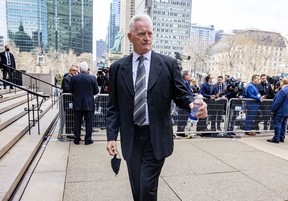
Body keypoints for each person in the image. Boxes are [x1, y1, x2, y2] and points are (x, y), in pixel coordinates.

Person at [106, 13, 207, 201]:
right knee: (137, 186)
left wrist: (193, 104)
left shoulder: (168, 64)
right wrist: (111, 136)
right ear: (130, 37)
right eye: (141, 33)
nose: (147, 38)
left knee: (148, 187)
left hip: (157, 136)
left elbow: (181, 94)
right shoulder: (118, 68)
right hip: (131, 137)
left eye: (150, 34)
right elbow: (113, 106)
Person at [70, 61, 99, 145]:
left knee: (77, 122)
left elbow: (71, 90)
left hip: (78, 103)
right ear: (87, 70)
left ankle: (76, 139)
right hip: (89, 103)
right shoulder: (92, 78)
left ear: (79, 69)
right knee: (89, 123)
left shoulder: (74, 78)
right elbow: (96, 91)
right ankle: (88, 139)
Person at [267, 77, 288, 143]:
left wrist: (273, 110)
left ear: (283, 82)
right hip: (286, 111)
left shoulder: (283, 90)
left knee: (278, 124)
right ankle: (282, 137)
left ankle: (276, 138)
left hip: (280, 110)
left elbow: (277, 102)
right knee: (284, 124)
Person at [61, 65, 78, 134]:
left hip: (73, 100)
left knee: (73, 117)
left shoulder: (75, 78)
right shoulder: (66, 78)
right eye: (74, 71)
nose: (75, 72)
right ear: (70, 71)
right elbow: (66, 89)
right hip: (68, 101)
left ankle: (73, 131)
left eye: (76, 71)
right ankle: (68, 132)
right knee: (69, 117)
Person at [176, 70, 194, 137]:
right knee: (183, 116)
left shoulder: (187, 82)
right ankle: (180, 130)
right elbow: (187, 93)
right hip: (185, 102)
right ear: (185, 76)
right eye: (189, 75)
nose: (190, 77)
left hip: (184, 102)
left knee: (183, 116)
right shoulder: (185, 83)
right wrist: (192, 98)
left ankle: (181, 130)